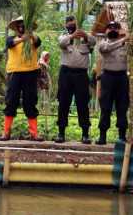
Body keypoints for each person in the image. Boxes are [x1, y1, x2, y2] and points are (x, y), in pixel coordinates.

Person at [0, 16, 43, 141]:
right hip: (14, 73)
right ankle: (6, 133)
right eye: (20, 25)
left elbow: (38, 42)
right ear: (17, 27)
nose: (21, 27)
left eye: (24, 25)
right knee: (11, 100)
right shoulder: (12, 39)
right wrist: (21, 39)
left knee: (30, 101)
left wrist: (30, 36)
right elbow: (9, 44)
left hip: (30, 73)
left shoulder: (33, 40)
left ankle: (34, 133)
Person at [55, 16, 96, 144]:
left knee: (83, 103)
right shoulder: (64, 36)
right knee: (63, 102)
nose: (72, 26)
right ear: (67, 26)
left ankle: (85, 134)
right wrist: (72, 37)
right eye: (70, 24)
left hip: (81, 75)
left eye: (75, 24)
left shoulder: (86, 37)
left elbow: (94, 42)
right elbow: (61, 43)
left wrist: (84, 35)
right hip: (66, 73)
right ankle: (61, 133)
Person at [96, 21, 131, 144]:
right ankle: (102, 135)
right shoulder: (102, 44)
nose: (112, 30)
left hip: (122, 78)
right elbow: (107, 48)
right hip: (108, 77)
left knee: (122, 106)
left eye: (115, 28)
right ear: (106, 31)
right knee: (106, 107)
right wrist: (123, 41)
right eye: (110, 28)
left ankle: (122, 135)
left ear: (119, 30)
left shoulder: (127, 45)